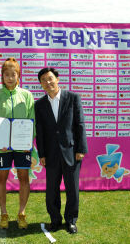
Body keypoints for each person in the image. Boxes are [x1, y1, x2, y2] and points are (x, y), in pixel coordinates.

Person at [34, 67, 88, 234]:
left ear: (57, 79)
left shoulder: (73, 98)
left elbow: (80, 124)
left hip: (72, 152)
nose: (48, 82)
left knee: (72, 189)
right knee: (51, 190)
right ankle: (55, 220)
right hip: (50, 154)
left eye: (50, 78)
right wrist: (41, 154)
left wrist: (81, 149)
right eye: (44, 80)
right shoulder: (39, 104)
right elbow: (40, 130)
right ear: (41, 84)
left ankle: (71, 221)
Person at [0, 57, 35, 229]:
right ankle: (3, 213)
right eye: (6, 74)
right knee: (2, 177)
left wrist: (27, 142)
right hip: (2, 147)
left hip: (22, 146)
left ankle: (21, 213)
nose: (10, 78)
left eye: (13, 74)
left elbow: (32, 120)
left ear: (18, 76)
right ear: (2, 76)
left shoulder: (27, 95)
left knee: (24, 178)